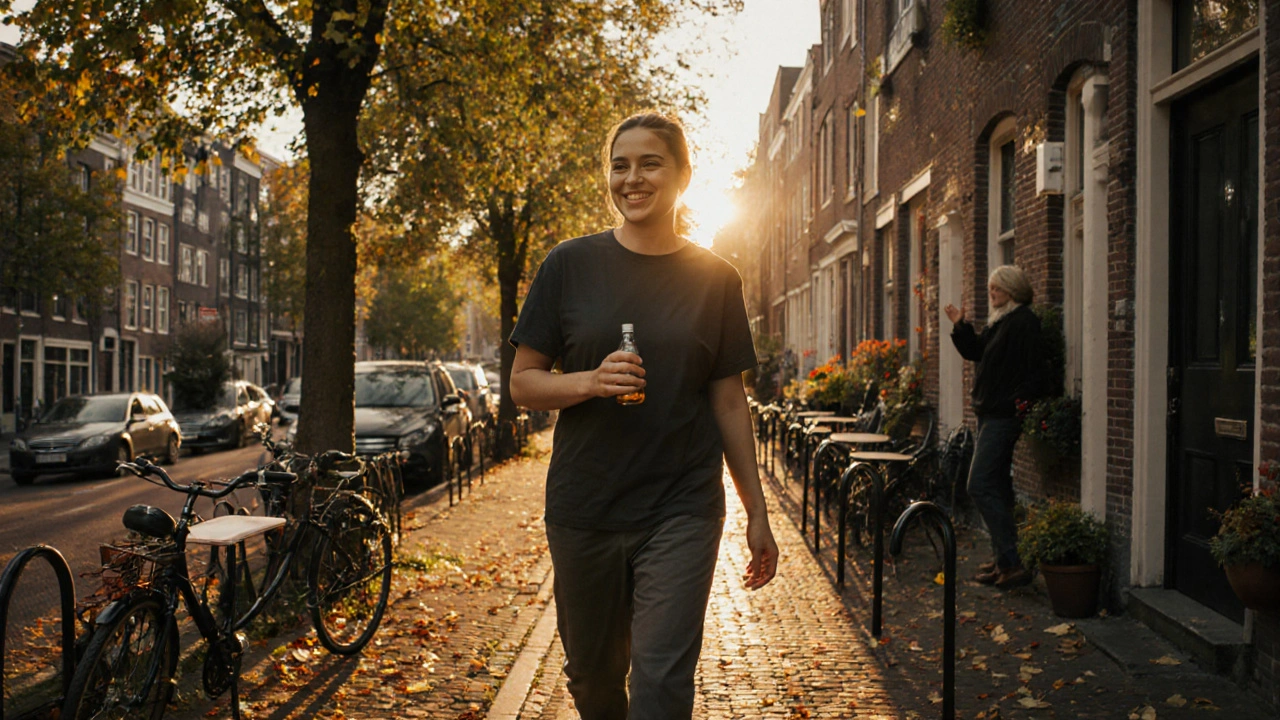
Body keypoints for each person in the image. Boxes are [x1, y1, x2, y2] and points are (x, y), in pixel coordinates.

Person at [508, 112, 779, 720]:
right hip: (586, 505)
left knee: (660, 682)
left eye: (650, 163)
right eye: (620, 164)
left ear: (683, 175)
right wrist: (588, 381)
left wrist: (756, 514)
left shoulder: (716, 279)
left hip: (681, 506)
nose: (632, 178)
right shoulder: (568, 265)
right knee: (593, 678)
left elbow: (729, 400)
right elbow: (523, 384)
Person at [944, 264, 1043, 590]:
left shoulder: (1024, 322)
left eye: (996, 290)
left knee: (979, 484)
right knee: (998, 487)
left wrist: (1016, 404)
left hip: (1003, 417)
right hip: (990, 414)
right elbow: (975, 350)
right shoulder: (1001, 321)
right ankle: (1006, 560)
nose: (992, 294)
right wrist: (960, 325)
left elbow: (1034, 371)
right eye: (990, 289)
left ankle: (1012, 562)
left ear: (1013, 290)